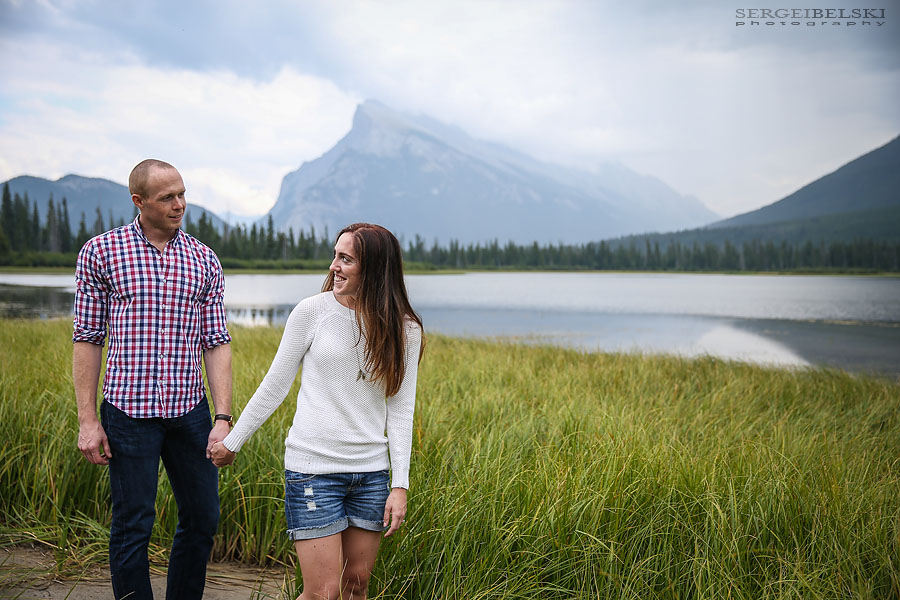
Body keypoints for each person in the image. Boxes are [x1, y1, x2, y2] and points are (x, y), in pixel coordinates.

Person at [210, 222, 423, 600]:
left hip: (371, 475)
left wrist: (399, 485)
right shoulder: (312, 311)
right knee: (323, 592)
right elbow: (275, 384)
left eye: (345, 259)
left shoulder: (405, 329)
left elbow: (402, 410)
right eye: (335, 256)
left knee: (356, 585)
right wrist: (234, 439)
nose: (333, 267)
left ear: (373, 269)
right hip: (313, 471)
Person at [73, 159, 233, 600]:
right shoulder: (101, 253)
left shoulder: (204, 259)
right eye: (168, 197)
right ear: (138, 201)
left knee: (202, 518)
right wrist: (89, 421)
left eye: (182, 193)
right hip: (127, 413)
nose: (180, 204)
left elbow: (216, 341)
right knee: (133, 524)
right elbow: (87, 339)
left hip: (190, 413)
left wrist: (222, 417)